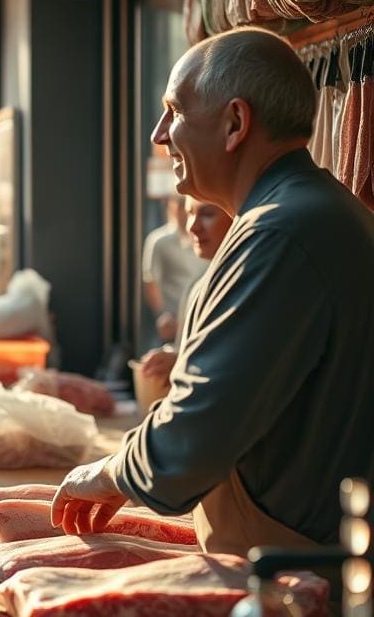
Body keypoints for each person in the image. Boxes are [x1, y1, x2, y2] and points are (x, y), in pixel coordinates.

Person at [51, 28, 374, 559]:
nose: (159, 134)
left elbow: (191, 444)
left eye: (174, 111)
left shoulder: (278, 232)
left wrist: (107, 473)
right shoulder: (311, 211)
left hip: (296, 577)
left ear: (235, 124)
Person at [137, 195, 233, 381]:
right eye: (190, 213)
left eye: (208, 214)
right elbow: (151, 282)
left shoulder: (227, 282)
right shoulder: (196, 285)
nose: (193, 226)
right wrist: (177, 358)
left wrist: (181, 361)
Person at [141, 195, 206, 343]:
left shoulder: (206, 239)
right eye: (181, 206)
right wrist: (163, 315)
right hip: (172, 323)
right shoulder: (159, 241)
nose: (184, 212)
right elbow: (151, 282)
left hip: (201, 320)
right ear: (171, 207)